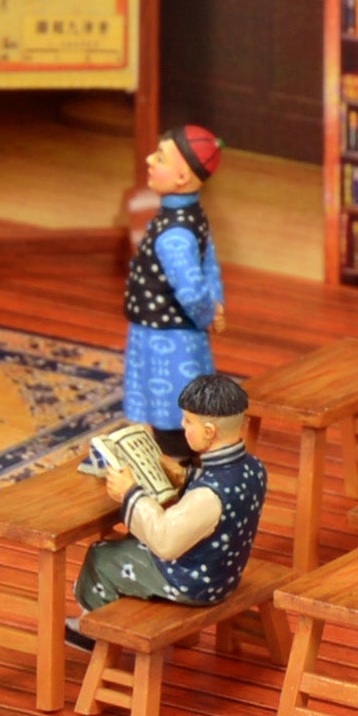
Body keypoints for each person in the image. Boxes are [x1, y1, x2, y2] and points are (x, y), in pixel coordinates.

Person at [67, 372, 268, 622]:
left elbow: (165, 541)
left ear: (209, 432)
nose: (182, 426)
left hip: (193, 582)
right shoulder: (254, 467)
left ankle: (90, 626)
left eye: (188, 421)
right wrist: (184, 476)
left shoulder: (208, 495)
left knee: (102, 557)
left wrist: (130, 492)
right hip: (224, 570)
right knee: (127, 542)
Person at [122, 125, 227, 460]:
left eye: (160, 157)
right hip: (167, 332)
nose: (149, 160)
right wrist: (216, 307)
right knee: (177, 401)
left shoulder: (175, 233)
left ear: (182, 177)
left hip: (165, 337)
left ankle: (177, 464)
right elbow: (210, 264)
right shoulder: (190, 218)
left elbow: (192, 291)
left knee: (171, 409)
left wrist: (208, 311)